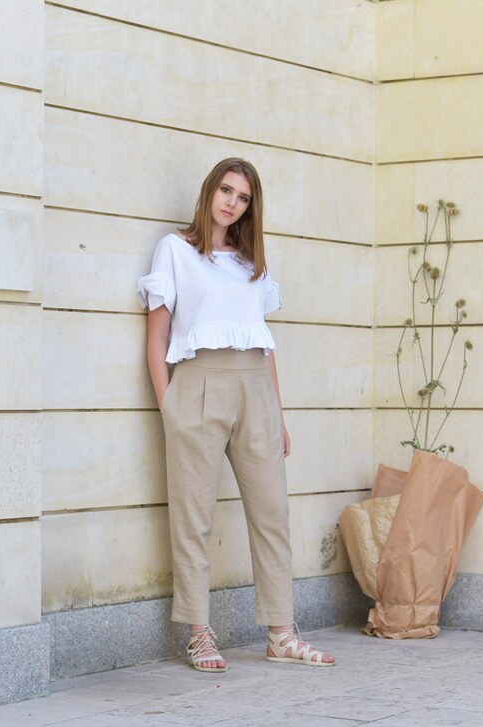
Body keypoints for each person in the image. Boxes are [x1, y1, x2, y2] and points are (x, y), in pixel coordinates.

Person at [137, 158, 335, 672]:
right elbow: (157, 337)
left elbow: (263, 344)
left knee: (272, 514)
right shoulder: (175, 250)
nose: (232, 202)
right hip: (197, 387)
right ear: (210, 190)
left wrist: (278, 413)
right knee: (193, 516)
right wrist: (169, 407)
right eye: (226, 190)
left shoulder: (252, 263)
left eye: (243, 197)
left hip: (255, 391)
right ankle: (199, 634)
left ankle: (281, 634)